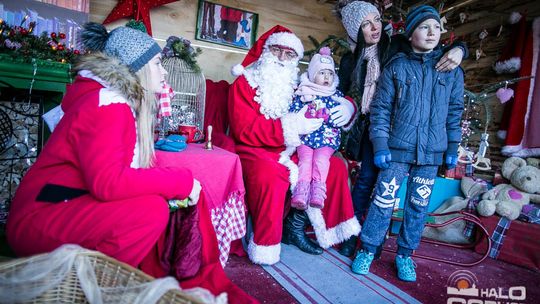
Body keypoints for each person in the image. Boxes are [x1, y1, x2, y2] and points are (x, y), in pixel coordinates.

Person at [6, 23, 254, 302]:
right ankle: (94, 288)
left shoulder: (110, 101)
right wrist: (181, 182)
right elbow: (108, 183)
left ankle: (97, 277)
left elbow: (121, 171)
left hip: (57, 207)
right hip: (39, 220)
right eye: (158, 63)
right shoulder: (109, 105)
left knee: (153, 203)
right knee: (149, 211)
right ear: (139, 66)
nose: (164, 71)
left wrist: (174, 181)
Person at [335, 0, 467, 257]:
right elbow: (342, 93)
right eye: (366, 24)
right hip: (370, 127)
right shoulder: (351, 60)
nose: (375, 27)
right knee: (365, 183)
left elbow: (432, 48)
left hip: (399, 129)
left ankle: (379, 239)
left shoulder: (395, 45)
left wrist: (461, 49)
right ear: (354, 32)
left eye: (376, 19)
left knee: (389, 188)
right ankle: (352, 235)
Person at [229, 25, 361, 265]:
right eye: (277, 50)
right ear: (266, 51)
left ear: (296, 60)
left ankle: (296, 226)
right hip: (254, 149)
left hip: (294, 148)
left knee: (336, 167)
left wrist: (349, 106)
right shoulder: (245, 83)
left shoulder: (298, 85)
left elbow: (327, 91)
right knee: (272, 174)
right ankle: (266, 244)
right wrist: (290, 126)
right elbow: (243, 130)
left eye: (289, 54)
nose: (281, 58)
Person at [289, 47, 352, 210]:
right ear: (312, 75)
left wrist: (328, 116)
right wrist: (303, 117)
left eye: (330, 74)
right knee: (305, 160)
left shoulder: (334, 96)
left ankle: (318, 190)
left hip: (326, 140)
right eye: (322, 73)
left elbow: (339, 119)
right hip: (306, 138)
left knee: (321, 160)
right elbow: (293, 112)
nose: (327, 77)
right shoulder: (303, 92)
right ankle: (301, 191)